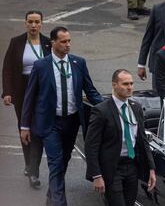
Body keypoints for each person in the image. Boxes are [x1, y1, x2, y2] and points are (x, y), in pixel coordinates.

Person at [20, 26, 103, 206]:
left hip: (72, 122)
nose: (68, 45)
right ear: (53, 44)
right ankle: (59, 203)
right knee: (56, 163)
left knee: (63, 162)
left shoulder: (78, 63)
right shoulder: (41, 66)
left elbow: (90, 90)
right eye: (63, 41)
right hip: (50, 124)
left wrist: (111, 108)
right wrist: (24, 126)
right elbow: (29, 96)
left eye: (69, 41)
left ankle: (52, 198)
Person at [85, 69, 156, 206]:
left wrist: (151, 168)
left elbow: (142, 141)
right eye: (125, 84)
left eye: (131, 83)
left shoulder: (136, 108)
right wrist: (96, 175)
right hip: (112, 169)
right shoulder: (101, 111)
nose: (129, 87)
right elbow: (91, 145)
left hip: (131, 166)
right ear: (114, 85)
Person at [2, 10, 51, 188]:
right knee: (24, 126)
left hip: (42, 89)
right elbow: (7, 68)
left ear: (41, 24)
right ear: (25, 23)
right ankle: (28, 163)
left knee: (37, 129)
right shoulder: (16, 42)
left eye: (37, 22)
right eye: (30, 22)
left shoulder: (47, 43)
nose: (33, 25)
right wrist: (7, 92)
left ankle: (33, 168)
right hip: (22, 89)